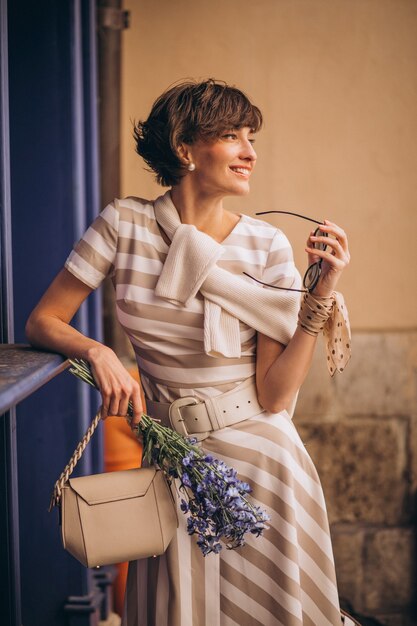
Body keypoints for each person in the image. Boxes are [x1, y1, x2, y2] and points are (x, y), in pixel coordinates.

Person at [26, 79, 353, 626]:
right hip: (172, 459)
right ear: (185, 148)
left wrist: (319, 295)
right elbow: (43, 320)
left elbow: (275, 395)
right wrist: (99, 352)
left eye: (251, 136)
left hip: (264, 464)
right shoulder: (123, 225)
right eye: (231, 135)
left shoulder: (265, 244)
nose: (250, 151)